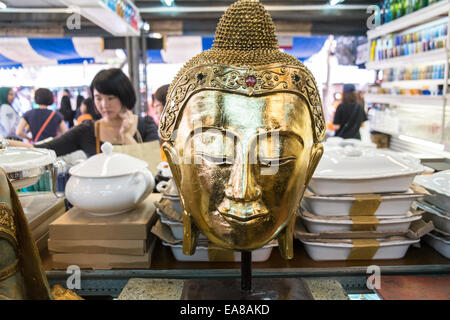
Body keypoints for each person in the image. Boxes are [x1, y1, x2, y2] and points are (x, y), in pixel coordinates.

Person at [10, 68, 159, 158]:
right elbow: (43, 149)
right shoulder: (87, 130)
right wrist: (4, 144)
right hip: (101, 204)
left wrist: (126, 137)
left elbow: (153, 165)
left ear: (124, 96)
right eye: (98, 98)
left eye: (110, 98)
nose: (104, 105)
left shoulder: (145, 125)